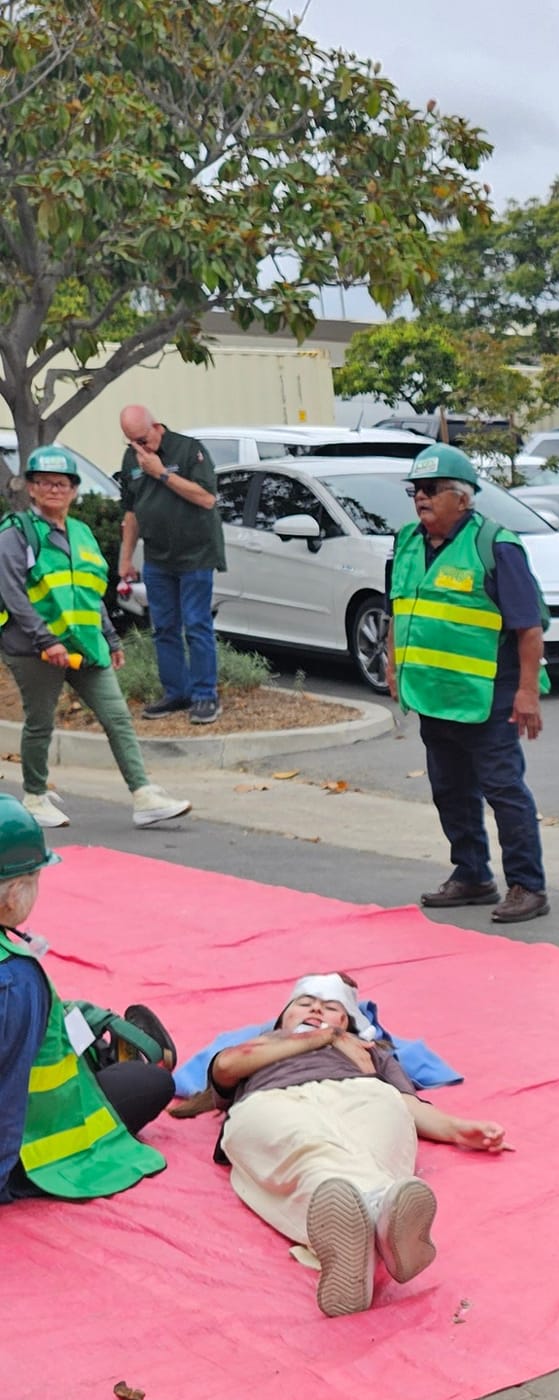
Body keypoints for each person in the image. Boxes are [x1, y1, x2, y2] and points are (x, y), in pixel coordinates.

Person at [210, 973, 506, 1316]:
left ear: (349, 1020)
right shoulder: (263, 1044)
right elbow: (226, 1066)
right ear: (283, 1017)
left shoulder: (369, 1053)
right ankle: (381, 1216)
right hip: (274, 1099)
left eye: (330, 1008)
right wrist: (328, 1036)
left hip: (359, 1092)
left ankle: (361, 1232)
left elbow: (405, 1104)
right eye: (304, 1004)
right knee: (307, 1146)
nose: (316, 1009)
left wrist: (456, 1129)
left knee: (372, 1139)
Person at [383, 445, 551, 925]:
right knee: (449, 790)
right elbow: (398, 606)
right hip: (433, 696)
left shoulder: (496, 546)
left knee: (503, 790)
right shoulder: (408, 542)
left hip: (487, 696)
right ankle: (472, 875)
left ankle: (527, 885)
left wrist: (527, 693)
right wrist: (393, 665)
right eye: (416, 490)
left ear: (463, 497)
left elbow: (528, 628)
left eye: (431, 490)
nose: (420, 498)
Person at [1, 445, 192, 833]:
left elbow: (90, 591)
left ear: (73, 490)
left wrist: (111, 639)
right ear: (32, 489)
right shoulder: (15, 533)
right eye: (45, 483)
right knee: (40, 722)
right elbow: (11, 593)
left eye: (62, 483)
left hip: (85, 645)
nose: (54, 490)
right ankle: (35, 797)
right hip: (33, 648)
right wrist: (46, 641)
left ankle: (144, 796)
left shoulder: (82, 533)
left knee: (118, 717)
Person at [0, 792, 171, 1204]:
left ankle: (95, 1051)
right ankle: (107, 1059)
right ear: (13, 894)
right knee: (153, 1081)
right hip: (31, 1147)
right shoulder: (16, 980)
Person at [116, 404, 224, 724]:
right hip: (158, 558)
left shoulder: (188, 449)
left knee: (196, 624)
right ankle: (176, 692)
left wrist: (161, 472)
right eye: (131, 442)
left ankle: (206, 696)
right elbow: (132, 513)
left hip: (195, 555)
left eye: (142, 439)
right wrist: (125, 559)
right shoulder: (131, 459)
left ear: (156, 427)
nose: (139, 447)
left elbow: (206, 498)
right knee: (163, 628)